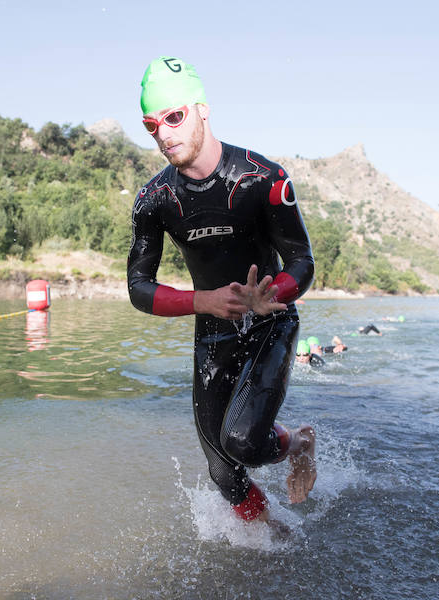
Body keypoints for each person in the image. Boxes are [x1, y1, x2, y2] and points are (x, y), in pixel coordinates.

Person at [127, 56, 317, 527]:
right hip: (213, 328)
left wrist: (274, 292)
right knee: (221, 468)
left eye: (175, 117)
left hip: (271, 320)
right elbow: (138, 286)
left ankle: (299, 443)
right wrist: (203, 301)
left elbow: (302, 262)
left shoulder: (263, 179)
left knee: (244, 442)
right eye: (152, 125)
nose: (164, 133)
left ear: (202, 110)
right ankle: (272, 537)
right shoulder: (155, 200)